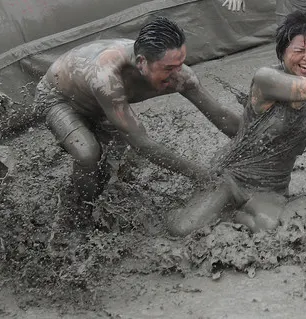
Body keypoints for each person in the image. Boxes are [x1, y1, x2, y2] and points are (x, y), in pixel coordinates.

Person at [167, 13, 306, 236]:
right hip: (232, 177)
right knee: (182, 230)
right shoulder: (266, 79)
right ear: (282, 53)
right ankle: (213, 205)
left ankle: (233, 216)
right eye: (299, 51)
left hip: (272, 187)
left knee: (271, 231)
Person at [35, 17, 242, 210]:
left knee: (114, 169)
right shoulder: (106, 76)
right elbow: (141, 142)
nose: (178, 73)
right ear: (141, 62)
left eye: (181, 64)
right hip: (59, 99)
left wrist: (262, 138)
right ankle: (80, 212)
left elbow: (222, 116)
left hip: (103, 106)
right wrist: (204, 176)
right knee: (88, 154)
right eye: (169, 68)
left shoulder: (180, 75)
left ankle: (102, 206)